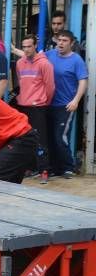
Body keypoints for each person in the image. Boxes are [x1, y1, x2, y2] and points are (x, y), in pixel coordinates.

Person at [46, 30, 88, 180]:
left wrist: (75, 100)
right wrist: (14, 50)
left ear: (71, 43)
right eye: (59, 40)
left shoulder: (76, 60)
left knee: (60, 137)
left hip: (65, 105)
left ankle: (68, 167)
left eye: (64, 41)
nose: (61, 43)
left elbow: (83, 81)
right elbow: (32, 58)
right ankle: (54, 168)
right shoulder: (50, 54)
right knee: (49, 137)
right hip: (48, 103)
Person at [15, 34, 55, 178]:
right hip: (23, 105)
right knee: (26, 139)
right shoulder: (19, 63)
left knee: (40, 139)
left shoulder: (45, 64)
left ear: (35, 46)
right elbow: (21, 83)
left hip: (38, 107)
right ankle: (29, 167)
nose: (26, 50)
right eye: (24, 47)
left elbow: (50, 87)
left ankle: (44, 169)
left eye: (29, 46)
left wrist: (43, 102)